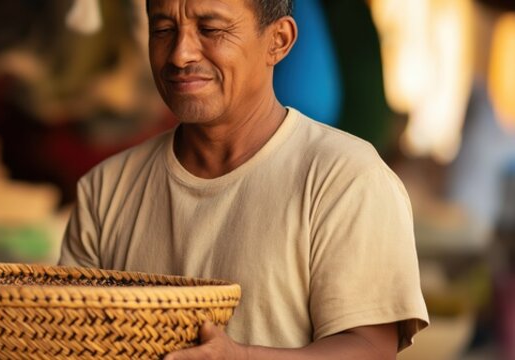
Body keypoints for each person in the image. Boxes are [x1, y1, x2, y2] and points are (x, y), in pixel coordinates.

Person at [58, 0, 429, 358]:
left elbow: (371, 350)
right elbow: (69, 339)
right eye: (163, 30)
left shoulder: (346, 179)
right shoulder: (105, 188)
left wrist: (242, 357)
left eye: (211, 29)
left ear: (278, 41)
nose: (180, 55)